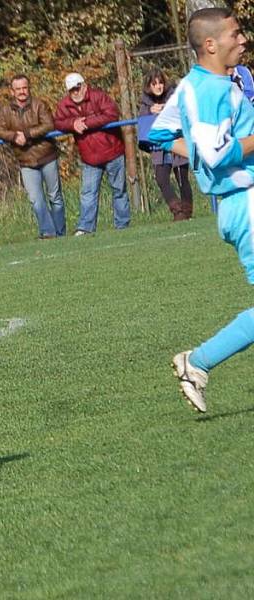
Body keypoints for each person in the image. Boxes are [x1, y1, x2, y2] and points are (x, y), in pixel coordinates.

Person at [149, 7, 254, 413]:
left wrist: (196, 155)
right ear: (211, 44)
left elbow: (157, 133)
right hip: (245, 203)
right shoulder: (211, 92)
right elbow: (217, 153)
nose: (243, 39)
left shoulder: (196, 85)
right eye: (236, 32)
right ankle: (199, 362)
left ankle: (199, 362)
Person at [54, 73, 131, 235]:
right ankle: (86, 227)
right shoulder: (64, 105)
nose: (75, 92)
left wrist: (86, 123)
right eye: (72, 90)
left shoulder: (99, 96)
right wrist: (72, 124)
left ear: (84, 85)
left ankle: (122, 225)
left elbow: (111, 114)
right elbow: (58, 122)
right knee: (88, 193)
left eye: (77, 87)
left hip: (113, 152)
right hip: (89, 158)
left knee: (119, 190)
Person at [0, 75, 66, 239]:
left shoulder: (39, 105)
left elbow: (49, 125)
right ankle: (48, 232)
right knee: (35, 199)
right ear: (12, 91)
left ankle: (60, 233)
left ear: (29, 88)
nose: (22, 92)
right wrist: (14, 136)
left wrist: (27, 134)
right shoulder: (5, 110)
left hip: (46, 155)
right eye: (18, 89)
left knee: (54, 197)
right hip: (25, 160)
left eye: (24, 88)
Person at [139, 68, 193, 221]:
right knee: (161, 178)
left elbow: (184, 112)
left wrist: (166, 110)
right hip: (158, 148)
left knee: (182, 178)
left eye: (161, 83)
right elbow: (143, 123)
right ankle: (176, 209)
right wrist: (150, 111)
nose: (158, 86)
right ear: (149, 86)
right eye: (154, 84)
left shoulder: (174, 97)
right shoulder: (145, 104)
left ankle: (187, 211)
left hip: (177, 142)